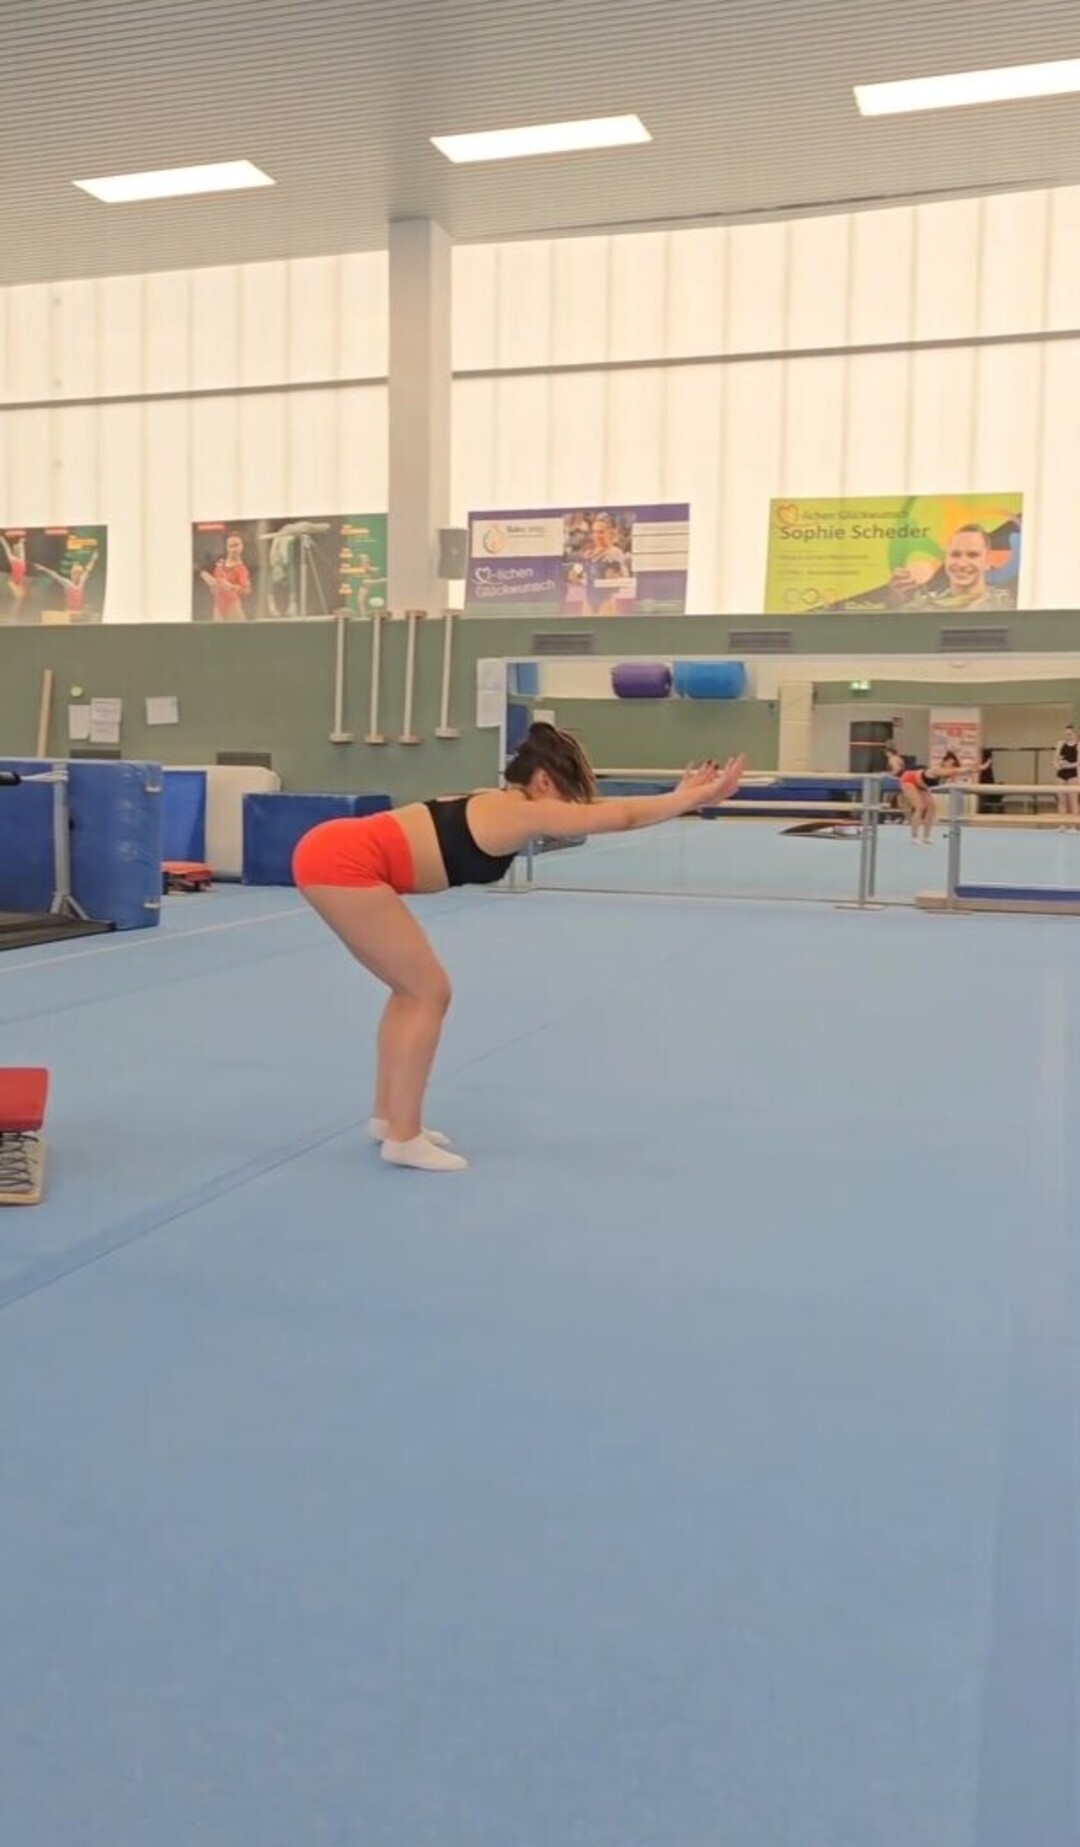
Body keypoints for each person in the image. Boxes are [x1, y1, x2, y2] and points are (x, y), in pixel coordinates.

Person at [292, 724, 745, 1172]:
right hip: (343, 861)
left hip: (333, 851)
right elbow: (621, 817)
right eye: (566, 795)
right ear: (543, 781)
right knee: (429, 992)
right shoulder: (522, 813)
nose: (568, 810)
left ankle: (388, 1118)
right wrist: (692, 799)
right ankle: (404, 1138)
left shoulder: (500, 802)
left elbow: (601, 810)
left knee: (409, 991)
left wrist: (679, 794)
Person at [884, 746, 969, 843]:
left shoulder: (948, 772)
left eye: (954, 764)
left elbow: (959, 771)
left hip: (921, 785)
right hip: (909, 780)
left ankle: (926, 836)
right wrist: (971, 767)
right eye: (951, 763)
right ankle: (914, 836)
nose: (952, 766)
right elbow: (957, 770)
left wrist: (975, 767)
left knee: (932, 808)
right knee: (920, 807)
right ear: (946, 762)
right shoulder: (937, 769)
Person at [1054, 722, 1079, 821]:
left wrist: (1069, 765)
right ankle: (1062, 824)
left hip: (1073, 774)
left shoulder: (1078, 745)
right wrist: (1056, 765)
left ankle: (1073, 825)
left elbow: (1079, 762)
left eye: (1070, 734)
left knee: (1073, 800)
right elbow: (1055, 759)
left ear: (1075, 734)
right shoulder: (1060, 744)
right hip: (1061, 773)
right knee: (1061, 800)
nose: (1067, 736)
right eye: (1066, 734)